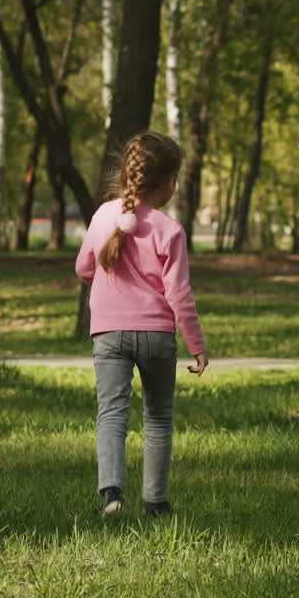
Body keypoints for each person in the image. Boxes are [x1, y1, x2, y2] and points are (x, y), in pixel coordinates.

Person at [75, 131, 208, 517]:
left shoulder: (103, 216)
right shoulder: (170, 230)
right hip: (156, 336)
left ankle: (112, 495)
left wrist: (105, 281)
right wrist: (196, 344)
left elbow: (84, 267)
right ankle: (156, 502)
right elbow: (179, 295)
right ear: (168, 182)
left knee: (112, 412)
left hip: (109, 333)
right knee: (159, 415)